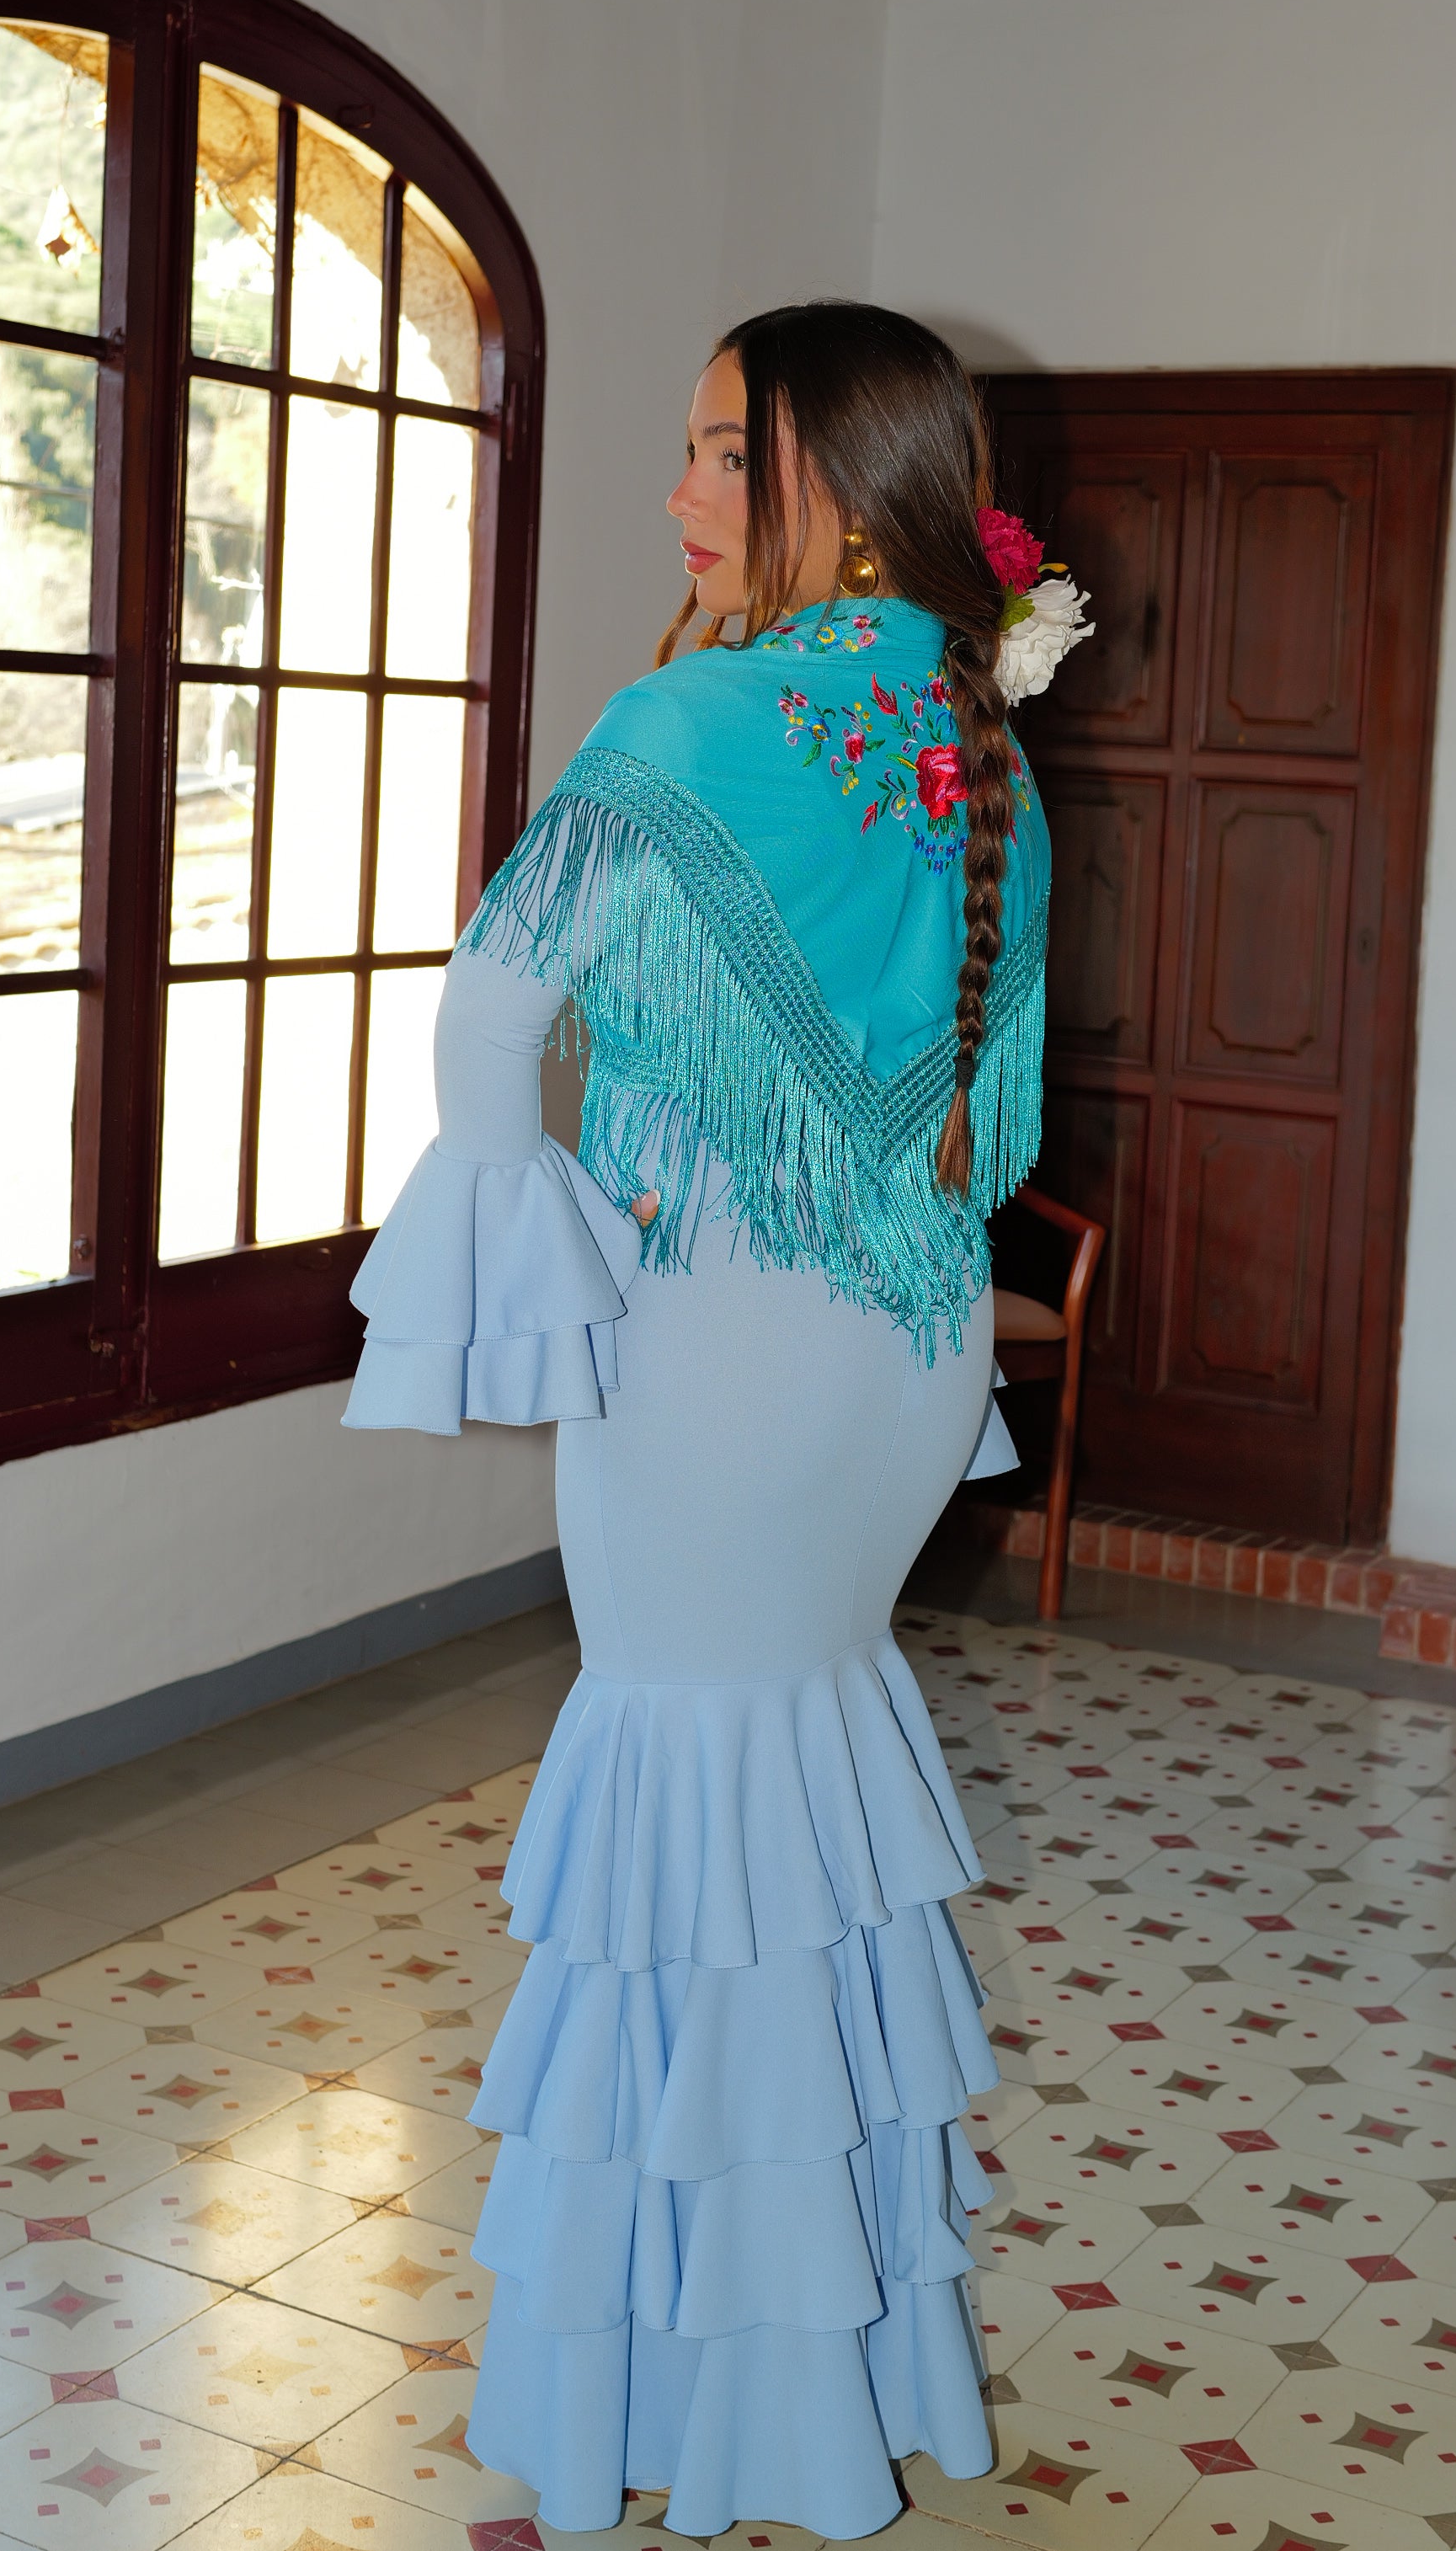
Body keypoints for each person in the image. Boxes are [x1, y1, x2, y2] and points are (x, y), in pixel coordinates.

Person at [344, 300, 1069, 2538]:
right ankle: (816, 2383)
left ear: (825, 483)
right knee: (804, 1823)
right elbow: (991, 1099)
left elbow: (486, 1034)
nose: (672, 495)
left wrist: (548, 1252)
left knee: (686, 1831)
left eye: (702, 452)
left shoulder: (694, 712)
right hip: (901, 1332)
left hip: (720, 1335)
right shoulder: (978, 740)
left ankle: (691, 2401)